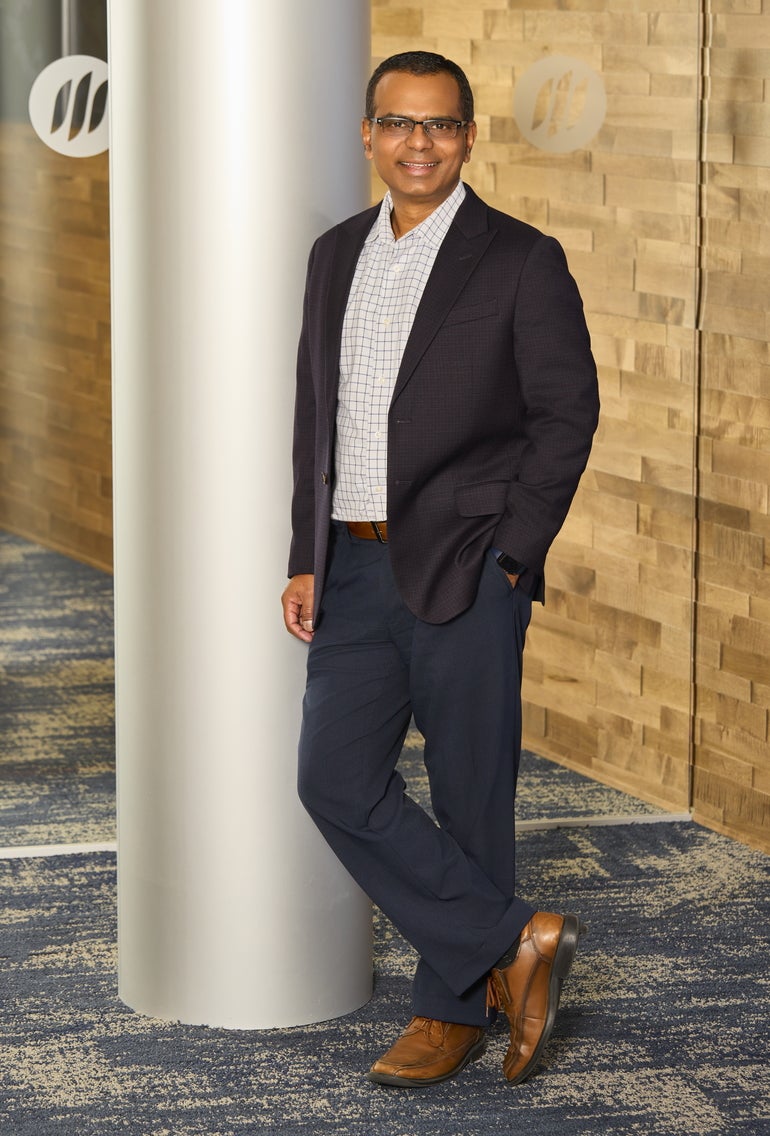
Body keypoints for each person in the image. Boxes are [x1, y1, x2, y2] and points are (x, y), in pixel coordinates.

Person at [281, 50, 600, 1088]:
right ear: (369, 137)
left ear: (467, 138)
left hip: (469, 566)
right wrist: (304, 555)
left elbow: (565, 417)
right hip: (352, 568)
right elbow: (313, 421)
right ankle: (512, 937)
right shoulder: (334, 253)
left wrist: (513, 554)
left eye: (440, 125)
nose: (418, 142)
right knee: (330, 776)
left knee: (470, 796)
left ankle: (444, 1013)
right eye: (398, 124)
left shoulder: (518, 258)